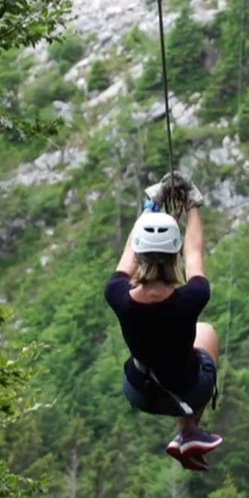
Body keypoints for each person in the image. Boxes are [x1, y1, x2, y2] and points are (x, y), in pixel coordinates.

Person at [104, 173, 222, 472]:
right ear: (174, 255)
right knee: (206, 332)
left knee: (161, 355)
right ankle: (189, 429)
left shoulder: (118, 295)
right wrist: (194, 204)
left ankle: (188, 432)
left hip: (140, 391)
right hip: (188, 391)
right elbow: (194, 251)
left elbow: (130, 253)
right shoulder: (192, 297)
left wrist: (152, 204)